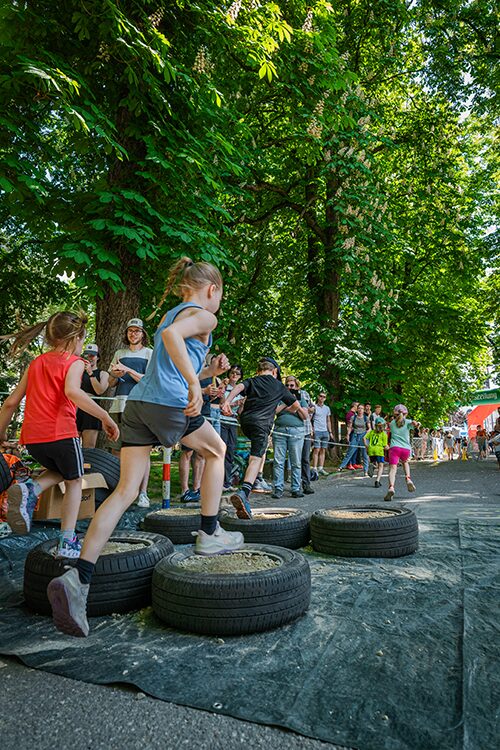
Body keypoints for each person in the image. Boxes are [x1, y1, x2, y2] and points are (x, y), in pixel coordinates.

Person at [47, 257, 244, 638]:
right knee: (217, 450)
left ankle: (78, 579)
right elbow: (174, 350)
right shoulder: (206, 316)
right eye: (220, 294)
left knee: (124, 491)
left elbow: (167, 358)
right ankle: (209, 533)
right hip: (168, 403)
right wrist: (193, 385)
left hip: (138, 405)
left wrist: (207, 374)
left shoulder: (171, 314)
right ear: (212, 289)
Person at [0, 312, 119, 555]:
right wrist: (104, 416)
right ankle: (67, 541)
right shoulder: (73, 363)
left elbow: (11, 402)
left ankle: (30, 489)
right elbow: (73, 392)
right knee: (74, 480)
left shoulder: (36, 363)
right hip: (62, 434)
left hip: (33, 439)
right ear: (76, 338)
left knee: (62, 470)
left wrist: (0, 433)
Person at [221, 358, 304, 519]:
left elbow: (239, 386)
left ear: (259, 370)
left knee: (255, 452)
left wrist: (228, 402)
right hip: (261, 425)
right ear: (274, 371)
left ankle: (250, 480)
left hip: (245, 422)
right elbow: (295, 407)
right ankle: (245, 492)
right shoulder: (279, 386)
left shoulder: (253, 380)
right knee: (256, 458)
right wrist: (276, 409)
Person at [108, 318, 153, 508]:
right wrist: (115, 375)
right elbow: (110, 384)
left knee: (143, 451)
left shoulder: (149, 353)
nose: (133, 334)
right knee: (117, 450)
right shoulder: (119, 353)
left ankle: (142, 493)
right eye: (130, 331)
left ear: (143, 334)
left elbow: (149, 381)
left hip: (140, 406)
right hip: (119, 405)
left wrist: (127, 369)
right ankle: (121, 491)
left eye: (137, 331)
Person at [272, 376, 307, 499]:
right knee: (278, 461)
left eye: (292, 385)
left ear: (296, 386)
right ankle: (278, 488)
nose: (289, 387)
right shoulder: (279, 397)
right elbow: (274, 412)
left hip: (296, 431)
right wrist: (287, 405)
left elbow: (305, 416)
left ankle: (296, 488)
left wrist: (296, 406)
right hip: (280, 431)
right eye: (287, 385)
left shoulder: (301, 399)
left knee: (296, 461)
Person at [76, 344, 110, 448]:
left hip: (92, 410)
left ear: (97, 357)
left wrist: (90, 373)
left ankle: (88, 464)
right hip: (76, 408)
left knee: (89, 447)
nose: (89, 358)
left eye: (92, 355)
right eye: (87, 355)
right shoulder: (77, 372)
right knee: (73, 446)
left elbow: (99, 390)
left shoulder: (103, 374)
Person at [384, 404, 419, 501]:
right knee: (405, 463)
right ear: (406, 414)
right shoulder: (408, 422)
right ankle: (408, 479)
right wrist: (416, 423)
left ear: (394, 414)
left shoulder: (391, 423)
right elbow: (415, 425)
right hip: (405, 448)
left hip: (394, 448)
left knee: (392, 469)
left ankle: (391, 487)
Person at [220, 365, 244, 491]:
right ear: (229, 374)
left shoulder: (240, 391)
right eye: (233, 373)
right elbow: (222, 405)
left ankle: (227, 481)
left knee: (231, 450)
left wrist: (242, 404)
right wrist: (234, 403)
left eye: (238, 374)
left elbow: (239, 412)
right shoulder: (224, 386)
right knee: (222, 450)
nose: (235, 375)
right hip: (222, 421)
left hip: (233, 422)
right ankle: (220, 480)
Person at [337, 403, 370, 475]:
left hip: (363, 436)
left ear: (363, 410)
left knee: (364, 453)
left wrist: (367, 434)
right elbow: (350, 427)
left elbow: (369, 428)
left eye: (362, 408)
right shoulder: (353, 417)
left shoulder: (365, 418)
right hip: (355, 435)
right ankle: (341, 466)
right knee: (350, 451)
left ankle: (366, 470)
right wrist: (348, 434)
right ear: (357, 409)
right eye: (359, 408)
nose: (360, 410)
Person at [311, 392, 333, 476]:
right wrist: (312, 430)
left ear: (325, 398)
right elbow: (311, 419)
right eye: (320, 396)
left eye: (324, 397)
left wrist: (330, 432)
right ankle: (314, 468)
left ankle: (321, 468)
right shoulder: (314, 407)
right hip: (317, 430)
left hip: (325, 431)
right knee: (316, 449)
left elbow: (328, 420)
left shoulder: (327, 408)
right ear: (318, 397)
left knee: (323, 450)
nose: (322, 398)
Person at [364, 418, 388, 487]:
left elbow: (364, 438)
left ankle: (373, 465)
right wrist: (389, 448)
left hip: (371, 450)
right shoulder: (384, 434)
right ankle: (377, 481)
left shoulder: (371, 432)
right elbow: (385, 446)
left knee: (374, 462)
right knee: (381, 466)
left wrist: (366, 446)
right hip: (379, 451)